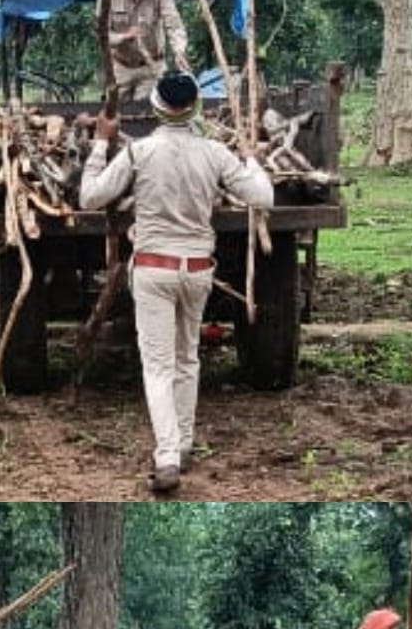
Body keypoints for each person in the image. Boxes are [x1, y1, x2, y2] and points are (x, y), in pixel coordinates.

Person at [79, 71, 274, 493]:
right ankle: (183, 443)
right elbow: (264, 197)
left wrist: (99, 143)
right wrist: (253, 159)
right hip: (198, 270)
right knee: (188, 358)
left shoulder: (140, 152)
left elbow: (90, 197)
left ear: (155, 108)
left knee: (158, 366)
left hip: (153, 268)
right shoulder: (216, 153)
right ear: (197, 109)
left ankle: (167, 455)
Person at [101, 0, 190, 102]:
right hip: (120, 68)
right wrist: (124, 37)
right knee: (116, 114)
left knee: (148, 113)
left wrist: (179, 51)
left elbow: (174, 25)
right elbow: (102, 36)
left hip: (152, 68)